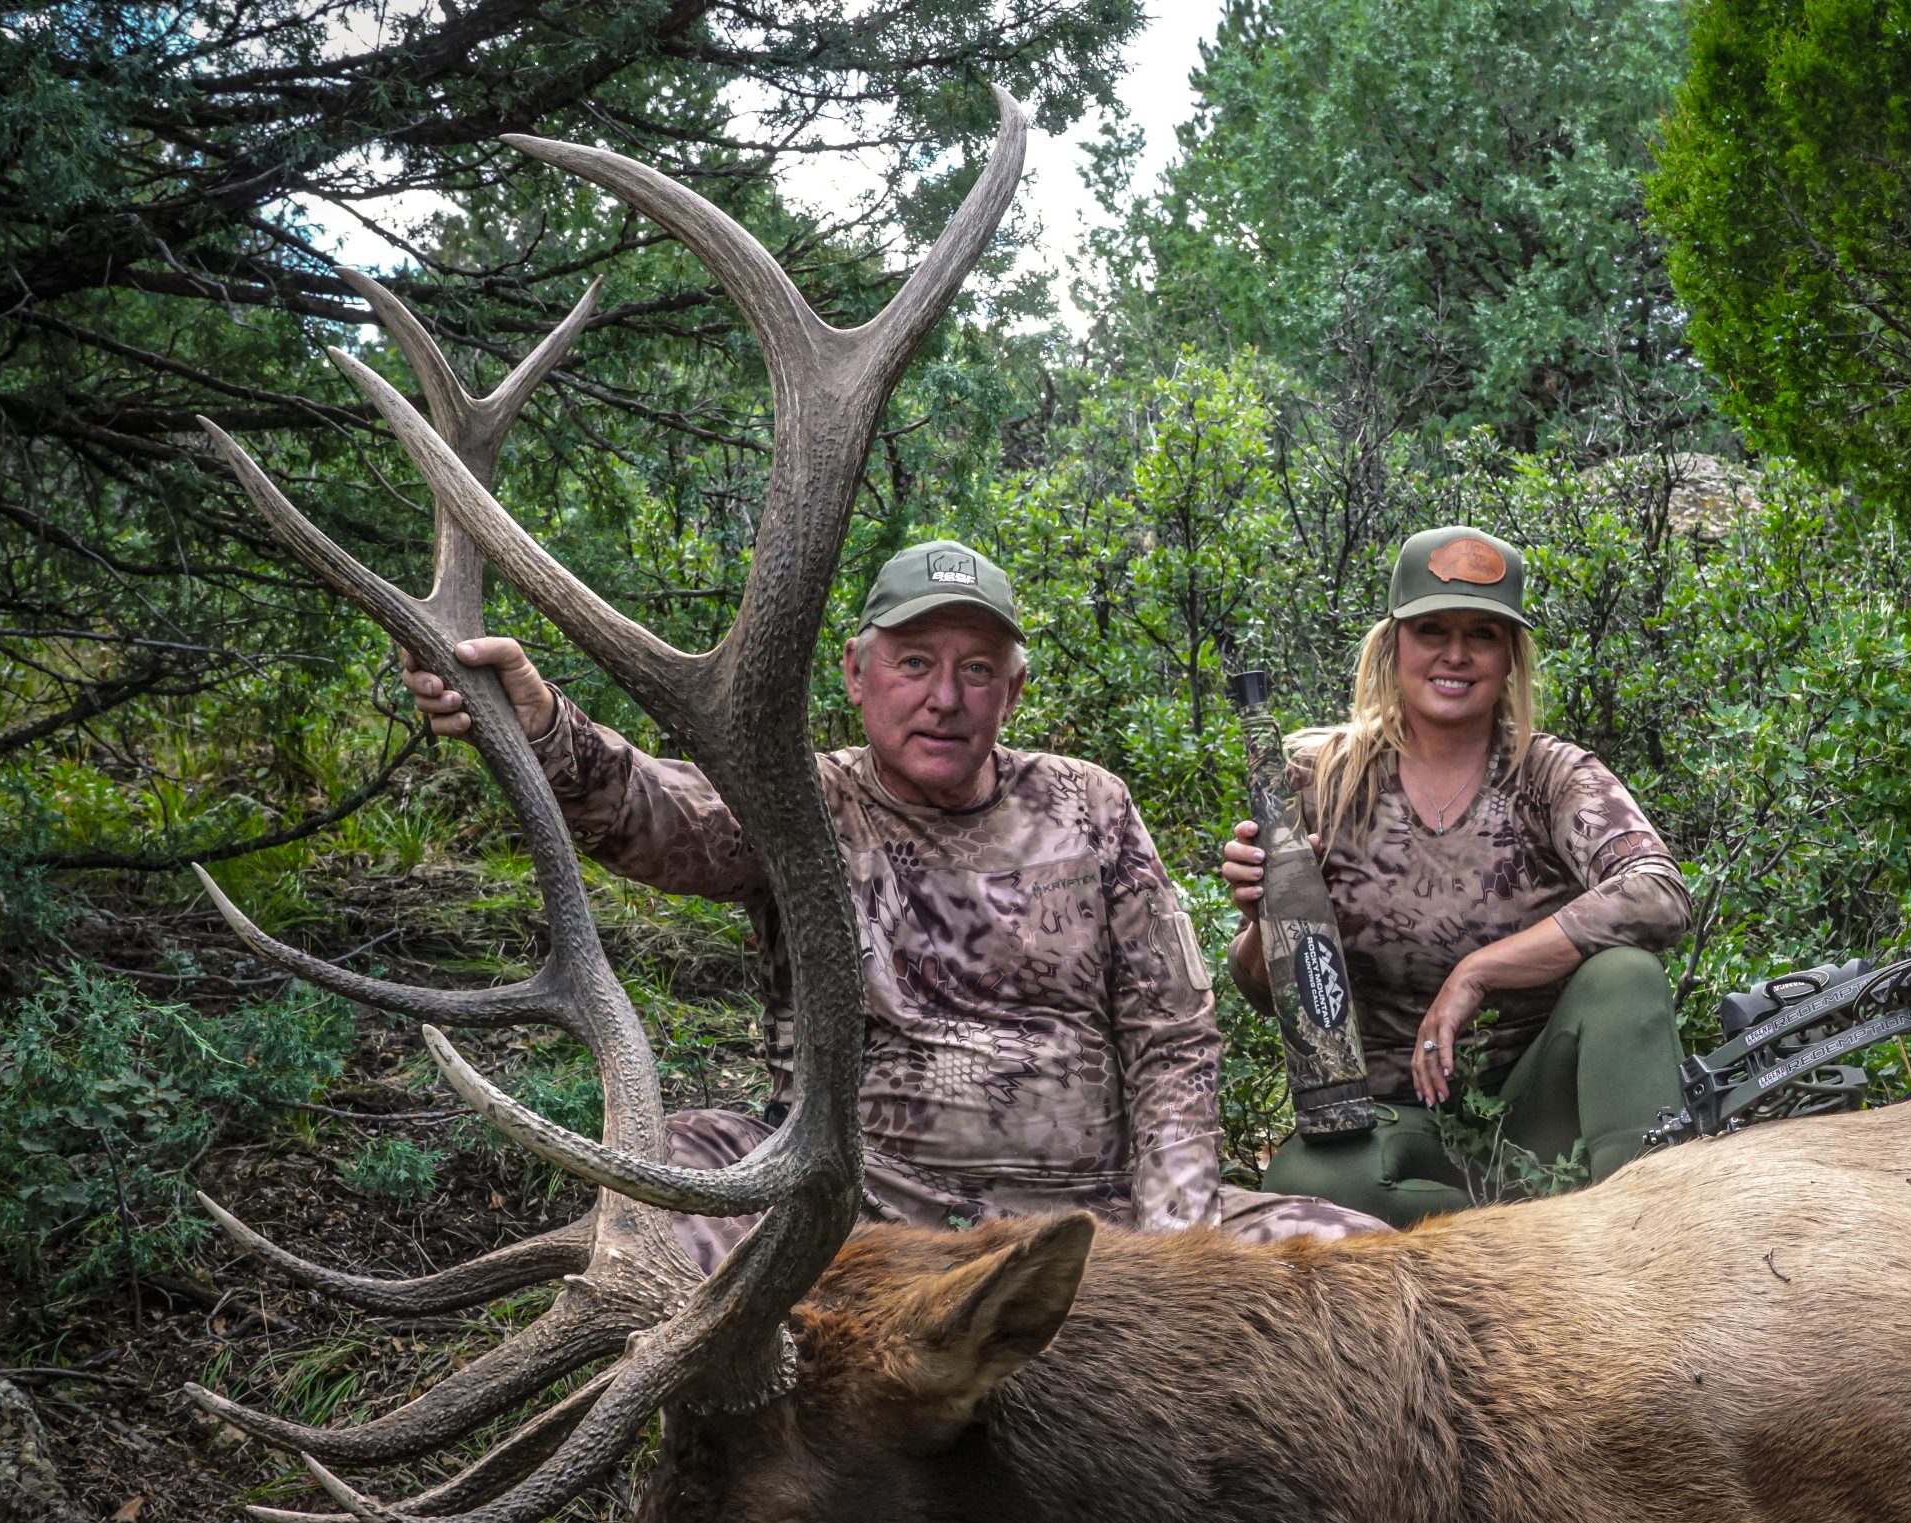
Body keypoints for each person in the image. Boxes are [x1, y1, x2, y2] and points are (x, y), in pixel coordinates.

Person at [409, 540, 1381, 1261]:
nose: (944, 697)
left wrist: (1175, 1248)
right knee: (655, 1191)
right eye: (914, 663)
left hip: (1093, 1223)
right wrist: (538, 724)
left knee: (1365, 1273)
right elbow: (653, 815)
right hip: (851, 1218)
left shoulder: (1090, 805)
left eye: (974, 670)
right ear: (856, 673)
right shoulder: (805, 802)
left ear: (1013, 689)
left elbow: (1171, 1038)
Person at [1219, 526, 1693, 1227]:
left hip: (1540, 1105)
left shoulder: (1550, 774)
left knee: (1625, 975)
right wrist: (1266, 917)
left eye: (1483, 633)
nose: (1455, 653)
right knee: (1302, 1184)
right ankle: (1529, 1229)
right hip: (1389, 1120)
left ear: (1509, 657)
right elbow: (1262, 991)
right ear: (1393, 646)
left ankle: (1652, 1232)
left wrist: (1480, 970)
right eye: (1432, 629)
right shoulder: (1323, 780)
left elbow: (1657, 891)